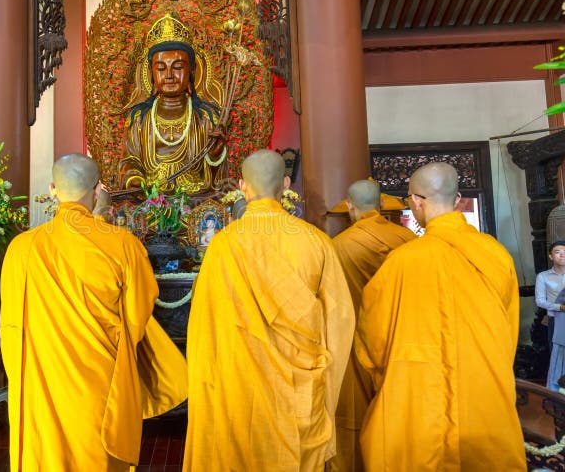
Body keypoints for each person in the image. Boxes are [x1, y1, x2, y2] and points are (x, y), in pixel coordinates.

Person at [0, 153, 187, 471]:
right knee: (97, 456)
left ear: (52, 189)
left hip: (41, 381)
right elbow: (137, 316)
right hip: (100, 380)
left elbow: (11, 325)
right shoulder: (122, 244)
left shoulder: (21, 248)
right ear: (99, 189)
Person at [184, 149, 355, 471]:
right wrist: (328, 391)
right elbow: (340, 321)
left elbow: (204, 330)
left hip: (238, 388)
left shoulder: (223, 245)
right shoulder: (315, 241)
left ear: (241, 186)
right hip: (299, 389)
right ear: (287, 184)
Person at [356, 162, 525, 470]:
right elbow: (508, 330)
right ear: (458, 197)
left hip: (419, 400)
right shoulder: (496, 254)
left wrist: (392, 374)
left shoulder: (401, 263)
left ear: (416, 201)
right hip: (485, 392)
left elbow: (374, 343)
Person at [328, 179, 416, 472]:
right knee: (402, 408)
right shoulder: (408, 241)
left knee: (356, 411)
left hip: (355, 345)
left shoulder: (338, 247)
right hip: (401, 339)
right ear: (381, 204)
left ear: (349, 206)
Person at [119, 14, 226, 194]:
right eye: (161, 68)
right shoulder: (138, 119)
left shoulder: (207, 118)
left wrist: (214, 157)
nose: (169, 75)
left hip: (196, 201)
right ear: (152, 74)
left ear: (191, 71)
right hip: (150, 203)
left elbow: (219, 180)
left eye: (177, 67)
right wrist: (135, 179)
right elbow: (129, 160)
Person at [536, 241, 565, 357]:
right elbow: (540, 301)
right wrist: (560, 307)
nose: (562, 255)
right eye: (558, 252)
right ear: (551, 256)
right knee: (557, 355)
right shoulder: (543, 276)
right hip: (556, 320)